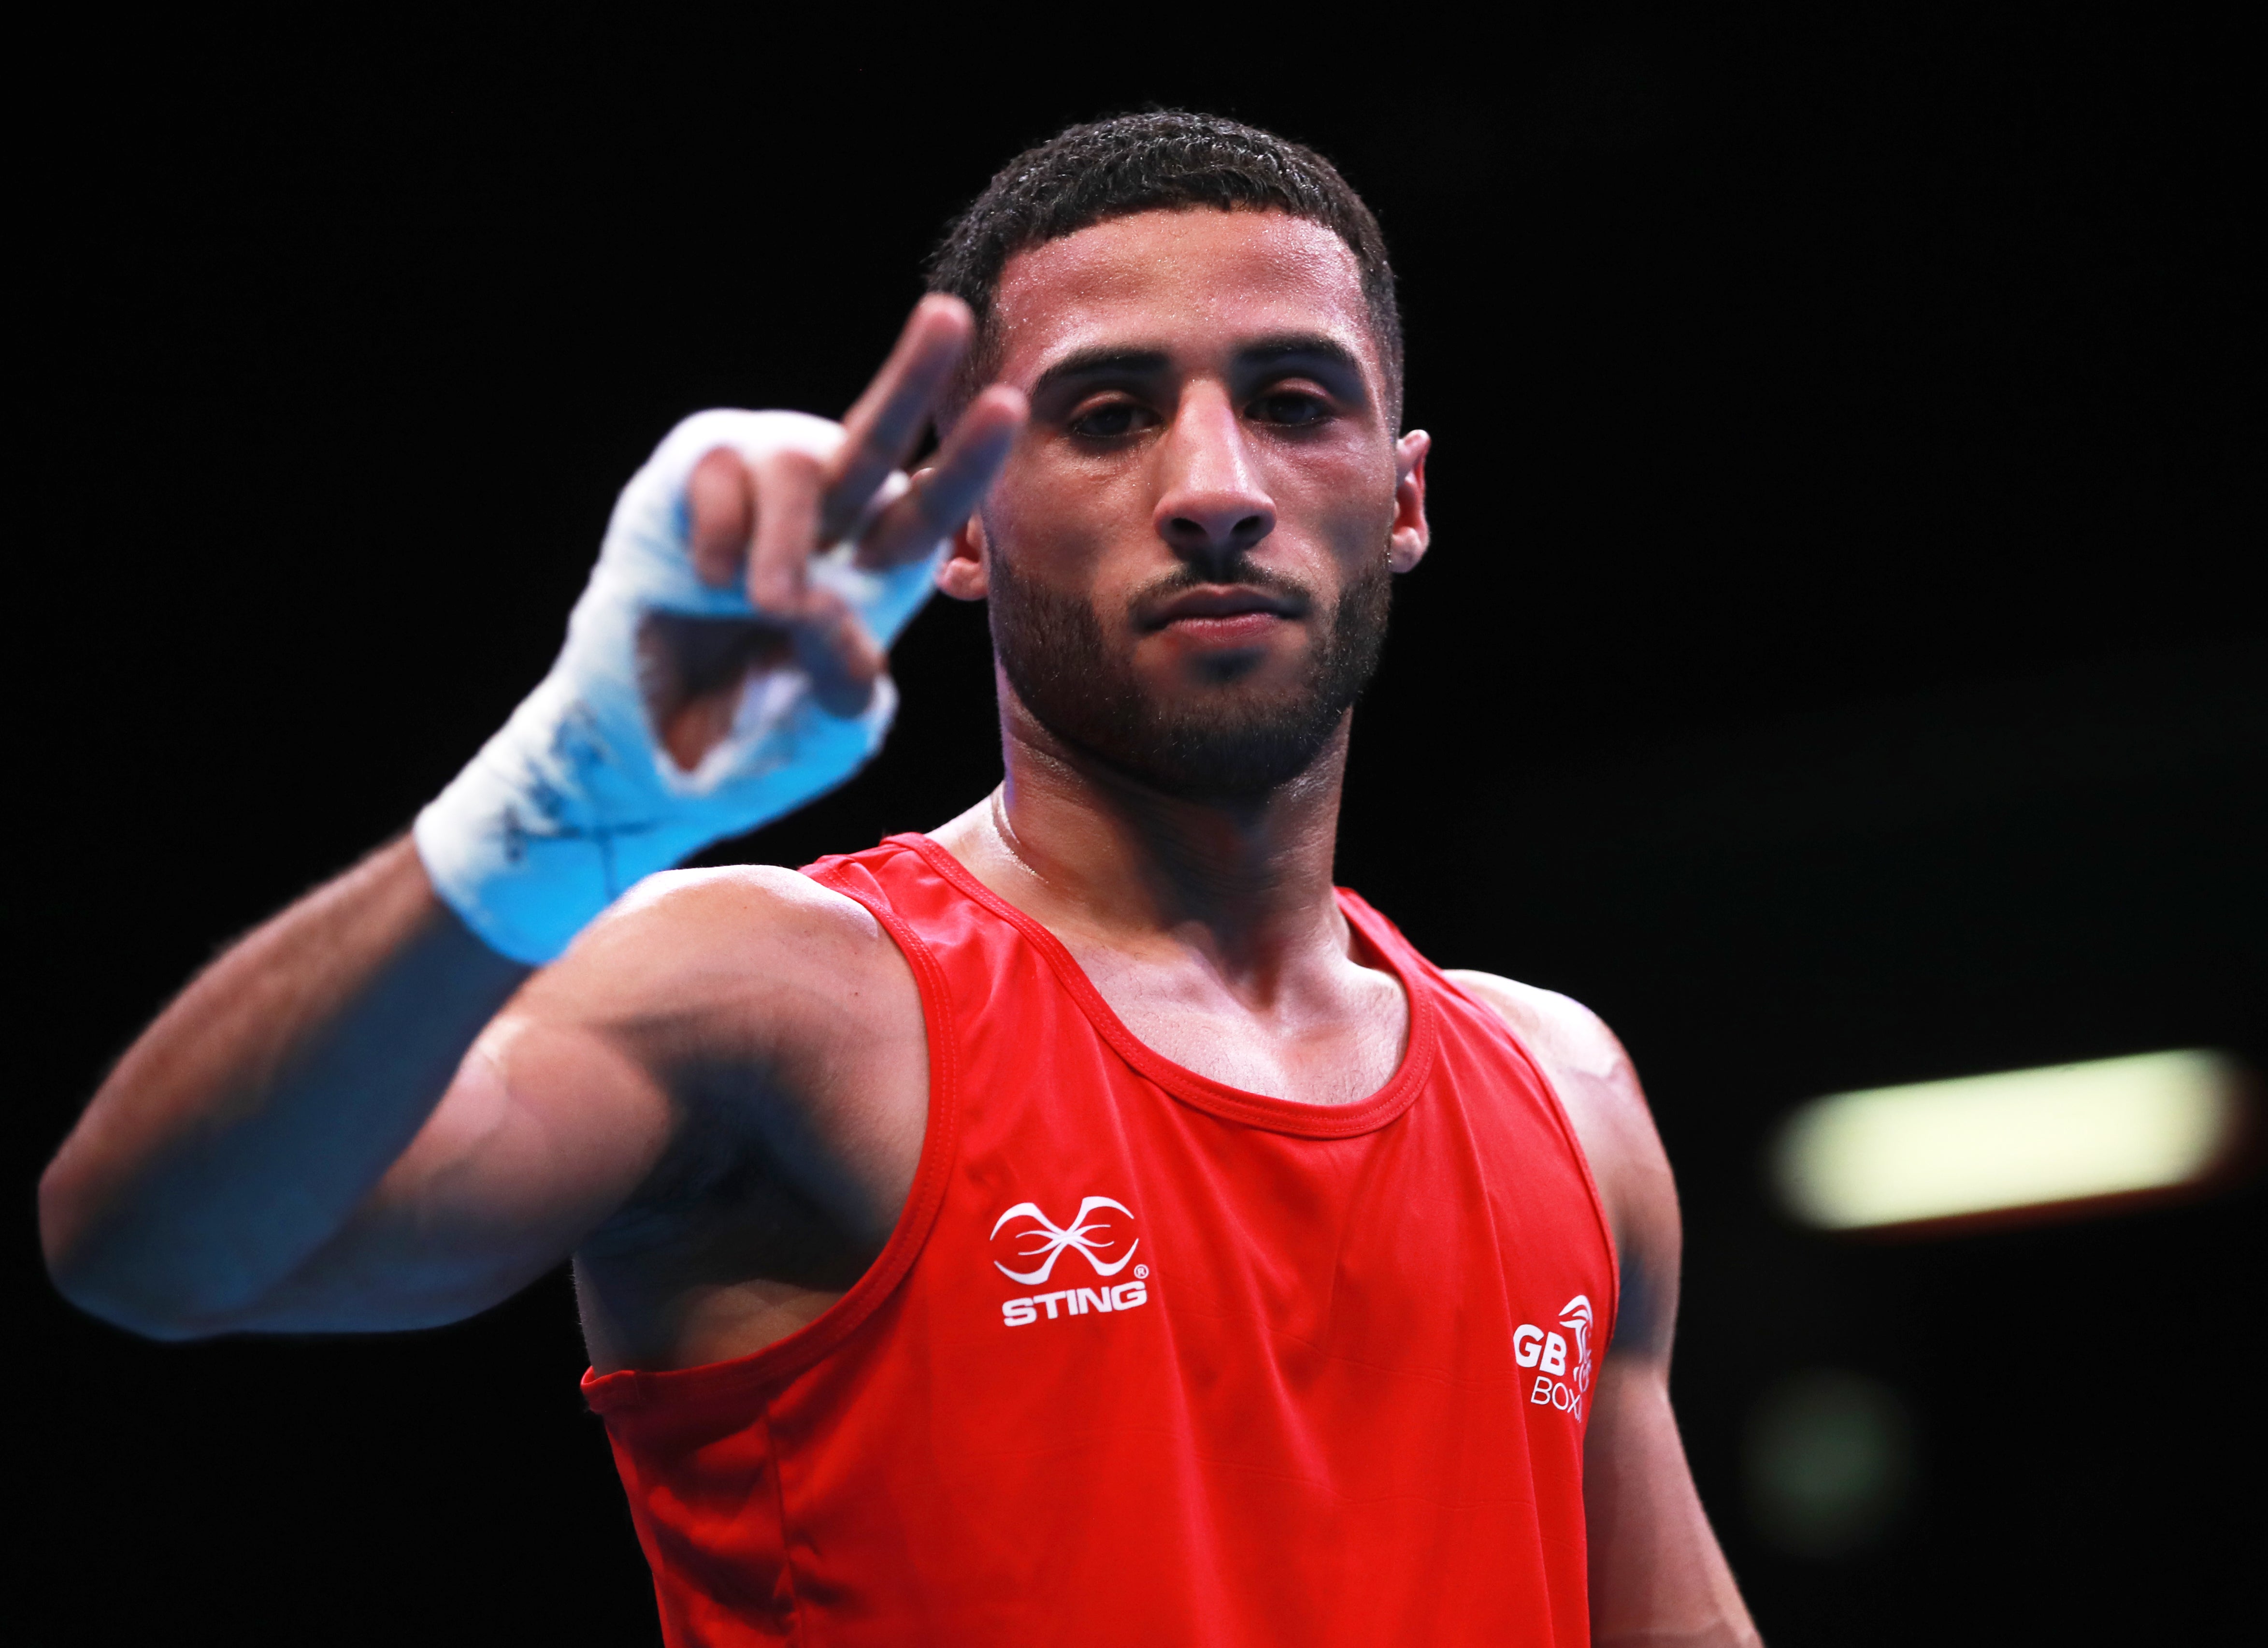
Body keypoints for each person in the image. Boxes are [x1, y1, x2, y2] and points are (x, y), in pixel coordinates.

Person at [40, 111, 1760, 1646]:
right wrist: (562, 799)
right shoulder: (786, 999)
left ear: (1404, 497)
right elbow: (155, 1254)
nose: (1217, 488)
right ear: (955, 523)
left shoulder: (1568, 1097)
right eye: (1107, 413)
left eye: (1295, 402)